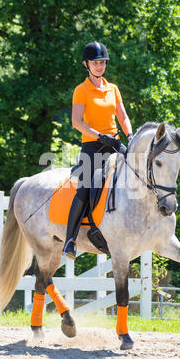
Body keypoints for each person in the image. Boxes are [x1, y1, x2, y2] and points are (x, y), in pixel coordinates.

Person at [63, 41, 133, 260]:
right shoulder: (81, 90)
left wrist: (130, 136)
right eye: (96, 62)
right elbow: (76, 122)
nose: (100, 66)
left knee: (139, 172)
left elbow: (122, 116)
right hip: (93, 146)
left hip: (114, 142)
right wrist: (98, 135)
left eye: (102, 62)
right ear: (86, 64)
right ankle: (70, 240)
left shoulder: (113, 89)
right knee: (85, 188)